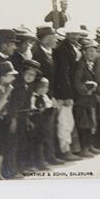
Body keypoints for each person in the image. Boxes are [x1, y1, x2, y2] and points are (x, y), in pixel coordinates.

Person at [32, 25, 64, 165]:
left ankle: (50, 156)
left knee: (50, 127)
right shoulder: (37, 54)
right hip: (40, 97)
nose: (55, 40)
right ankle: (42, 159)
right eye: (51, 38)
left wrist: (54, 96)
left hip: (50, 95)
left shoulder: (51, 53)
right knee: (42, 129)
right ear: (43, 40)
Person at [52, 25, 83, 161]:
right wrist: (67, 95)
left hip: (69, 89)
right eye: (72, 34)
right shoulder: (62, 49)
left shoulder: (71, 48)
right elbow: (63, 74)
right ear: (67, 35)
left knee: (68, 121)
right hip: (64, 91)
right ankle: (65, 151)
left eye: (76, 34)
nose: (75, 37)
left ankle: (69, 149)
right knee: (65, 122)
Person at [7, 59, 42, 176]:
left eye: (33, 75)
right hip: (13, 117)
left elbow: (27, 104)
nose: (30, 77)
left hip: (22, 117)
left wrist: (27, 119)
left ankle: (22, 167)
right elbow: (11, 104)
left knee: (23, 142)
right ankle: (13, 170)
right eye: (28, 74)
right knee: (13, 143)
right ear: (23, 73)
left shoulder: (30, 85)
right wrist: (13, 120)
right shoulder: (16, 85)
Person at [73, 40, 100, 157]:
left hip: (89, 99)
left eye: (94, 51)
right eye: (90, 51)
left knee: (89, 123)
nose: (92, 53)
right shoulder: (81, 64)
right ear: (84, 52)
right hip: (81, 100)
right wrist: (86, 91)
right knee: (83, 123)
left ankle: (89, 146)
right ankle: (83, 148)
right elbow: (76, 81)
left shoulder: (90, 64)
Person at [0, 61, 18, 180]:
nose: (13, 77)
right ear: (2, 76)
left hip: (3, 121)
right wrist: (6, 94)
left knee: (1, 147)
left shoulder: (6, 86)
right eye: (10, 75)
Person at [28, 78, 57, 171]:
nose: (44, 90)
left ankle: (41, 161)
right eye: (42, 87)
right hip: (34, 122)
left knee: (41, 141)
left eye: (46, 88)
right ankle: (33, 163)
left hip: (42, 122)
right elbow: (31, 107)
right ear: (37, 87)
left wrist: (48, 106)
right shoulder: (33, 97)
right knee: (33, 142)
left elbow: (49, 104)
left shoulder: (44, 96)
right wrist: (36, 109)